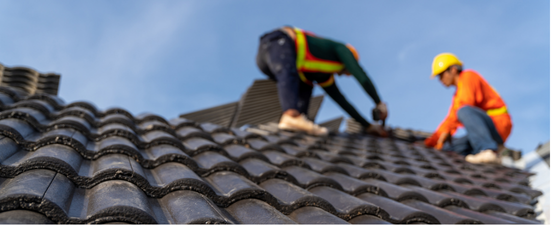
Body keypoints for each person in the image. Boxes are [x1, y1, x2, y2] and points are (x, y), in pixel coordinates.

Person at [255, 26, 387, 136]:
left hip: (270, 59)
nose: (344, 75)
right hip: (277, 42)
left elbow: (342, 101)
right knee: (290, 74)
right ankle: (291, 115)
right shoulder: (343, 49)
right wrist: (378, 102)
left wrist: (368, 126)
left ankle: (299, 121)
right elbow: (361, 77)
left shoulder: (323, 75)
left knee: (306, 84)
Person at [424, 53, 512, 164]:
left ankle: (488, 150)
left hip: (497, 125)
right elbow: (450, 119)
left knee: (464, 111)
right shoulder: (457, 95)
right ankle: (486, 153)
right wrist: (430, 143)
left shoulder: (468, 77)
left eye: (441, 75)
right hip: (484, 130)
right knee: (449, 148)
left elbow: (464, 106)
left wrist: (447, 131)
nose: (440, 80)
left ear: (453, 70)